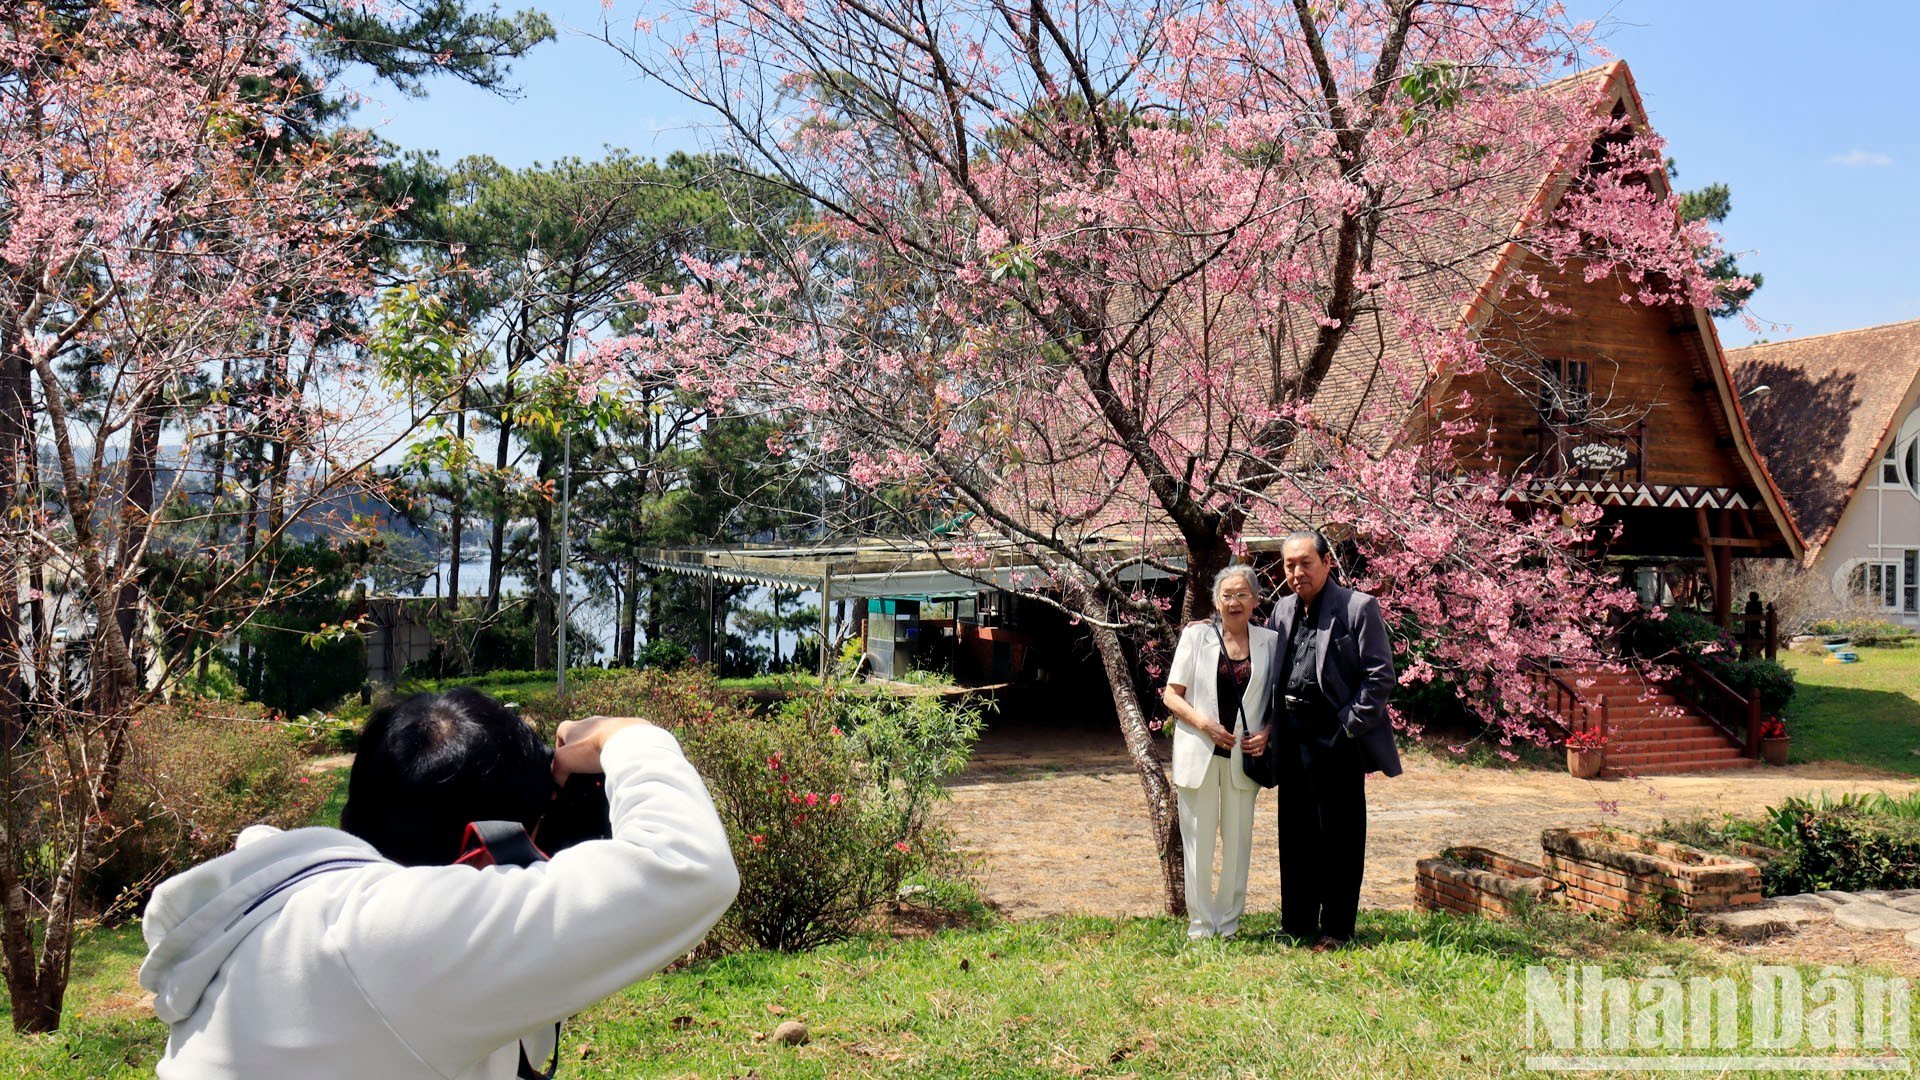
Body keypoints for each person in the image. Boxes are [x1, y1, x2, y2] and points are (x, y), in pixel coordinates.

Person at [138, 688, 739, 1078]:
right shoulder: (397, 935)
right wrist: (629, 737)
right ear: (480, 845)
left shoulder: (284, 898)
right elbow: (689, 867)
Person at [1264, 530, 1399, 951]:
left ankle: (1336, 929)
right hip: (1293, 737)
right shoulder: (1282, 610)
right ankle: (1297, 922)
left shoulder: (1358, 607)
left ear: (1326, 562)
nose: (1297, 572)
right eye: (1289, 565)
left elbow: (1380, 677)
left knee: (1340, 837)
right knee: (1296, 833)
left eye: (1305, 562)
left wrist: (1349, 725)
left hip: (1337, 738)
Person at [1161, 564, 1279, 940]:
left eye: (1242, 594)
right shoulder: (1197, 637)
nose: (1234, 602)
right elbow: (1171, 695)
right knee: (1198, 841)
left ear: (1256, 600)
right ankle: (1201, 926)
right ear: (1215, 600)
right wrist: (1205, 725)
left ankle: (1228, 924)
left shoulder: (1270, 642)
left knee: (1238, 843)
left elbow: (1280, 700)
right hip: (1200, 752)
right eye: (1226, 595)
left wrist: (1268, 732)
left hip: (1244, 759)